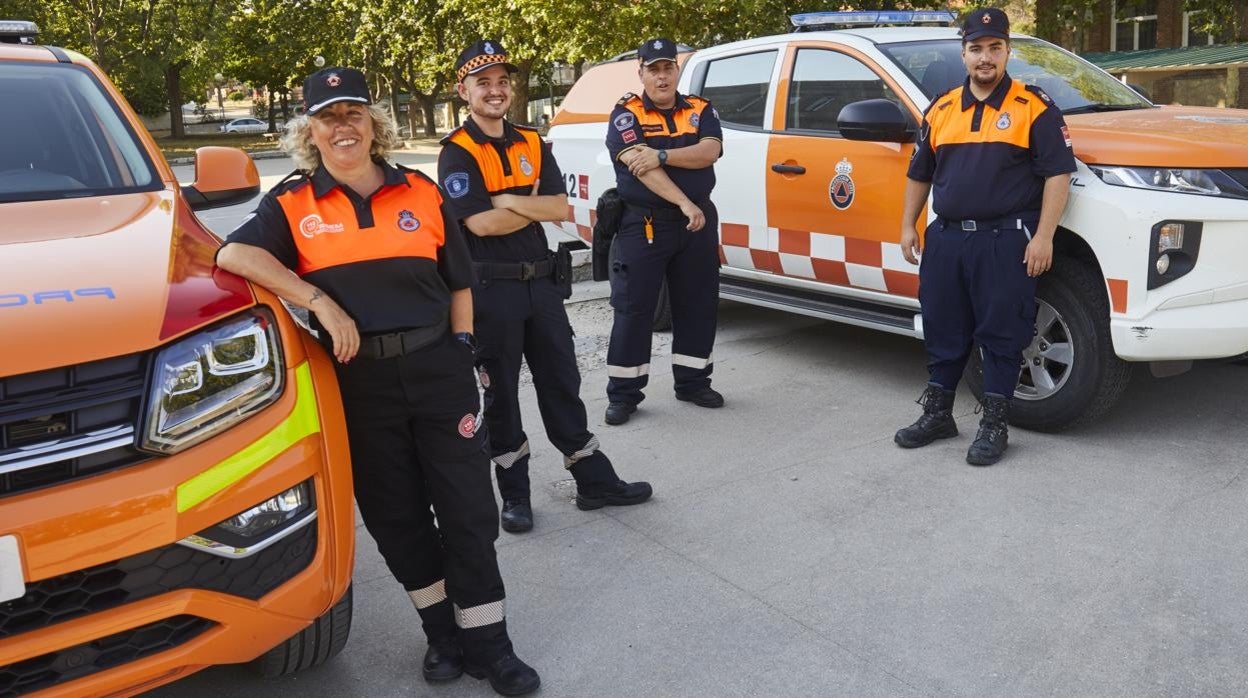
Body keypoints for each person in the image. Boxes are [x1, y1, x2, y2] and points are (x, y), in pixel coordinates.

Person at [214, 66, 540, 696]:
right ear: (309, 130)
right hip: (359, 384)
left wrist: (465, 348)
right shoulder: (291, 204)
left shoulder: (420, 190)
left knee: (470, 510)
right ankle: (443, 636)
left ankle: (490, 644)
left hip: (439, 367)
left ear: (373, 122)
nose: (343, 127)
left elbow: (460, 282)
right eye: (328, 116)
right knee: (396, 518)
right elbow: (234, 254)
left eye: (354, 113)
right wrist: (318, 301)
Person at [438, 40, 653, 534]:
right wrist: (524, 204)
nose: (495, 90)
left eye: (501, 81)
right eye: (483, 82)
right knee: (502, 397)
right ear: (463, 90)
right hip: (492, 293)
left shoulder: (534, 141)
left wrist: (505, 198)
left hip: (543, 289)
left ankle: (593, 482)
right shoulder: (457, 152)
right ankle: (515, 496)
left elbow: (559, 208)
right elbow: (479, 226)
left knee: (562, 384)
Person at [894, 8, 1076, 466]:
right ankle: (938, 413)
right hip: (947, 239)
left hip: (1005, 240)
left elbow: (1058, 175)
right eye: (976, 48)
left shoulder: (1034, 107)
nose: (985, 57)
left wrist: (1044, 237)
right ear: (964, 54)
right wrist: (907, 226)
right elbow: (920, 172)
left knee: (1001, 332)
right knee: (943, 326)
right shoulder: (941, 108)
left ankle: (994, 423)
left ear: (1008, 51)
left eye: (995, 47)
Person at [603, 37, 724, 425]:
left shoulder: (701, 109)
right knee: (635, 309)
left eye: (667, 67)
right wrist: (684, 201)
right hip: (646, 223)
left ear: (677, 70)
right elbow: (641, 170)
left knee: (698, 303)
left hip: (698, 224)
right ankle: (624, 394)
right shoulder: (626, 113)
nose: (661, 76)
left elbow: (709, 152)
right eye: (653, 69)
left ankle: (692, 382)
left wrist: (661, 153)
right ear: (641, 73)